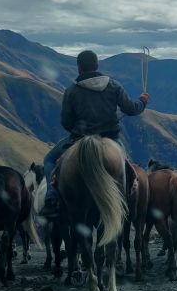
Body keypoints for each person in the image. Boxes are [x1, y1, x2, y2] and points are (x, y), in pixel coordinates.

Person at [41, 50, 149, 216]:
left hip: (79, 139)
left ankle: (51, 198)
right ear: (97, 65)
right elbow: (131, 109)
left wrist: (79, 129)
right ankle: (128, 196)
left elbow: (66, 122)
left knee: (49, 160)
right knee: (127, 166)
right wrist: (143, 101)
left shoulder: (72, 91)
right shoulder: (114, 86)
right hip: (110, 138)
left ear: (79, 68)